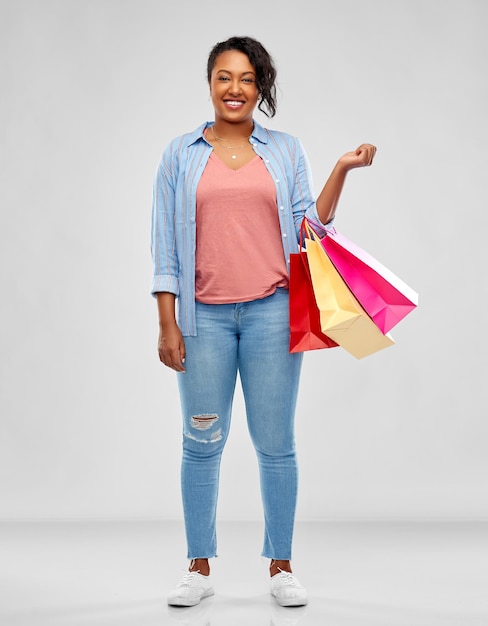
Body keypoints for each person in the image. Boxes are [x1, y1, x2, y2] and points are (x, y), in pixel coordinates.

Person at [151, 35, 376, 608]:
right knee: (201, 440)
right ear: (210, 84)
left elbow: (310, 228)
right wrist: (167, 321)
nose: (235, 89)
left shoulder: (284, 150)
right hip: (203, 321)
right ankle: (198, 567)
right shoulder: (179, 154)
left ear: (260, 87)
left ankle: (281, 565)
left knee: (276, 443)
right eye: (225, 77)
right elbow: (165, 250)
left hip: (274, 313)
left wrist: (341, 169)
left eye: (247, 79)